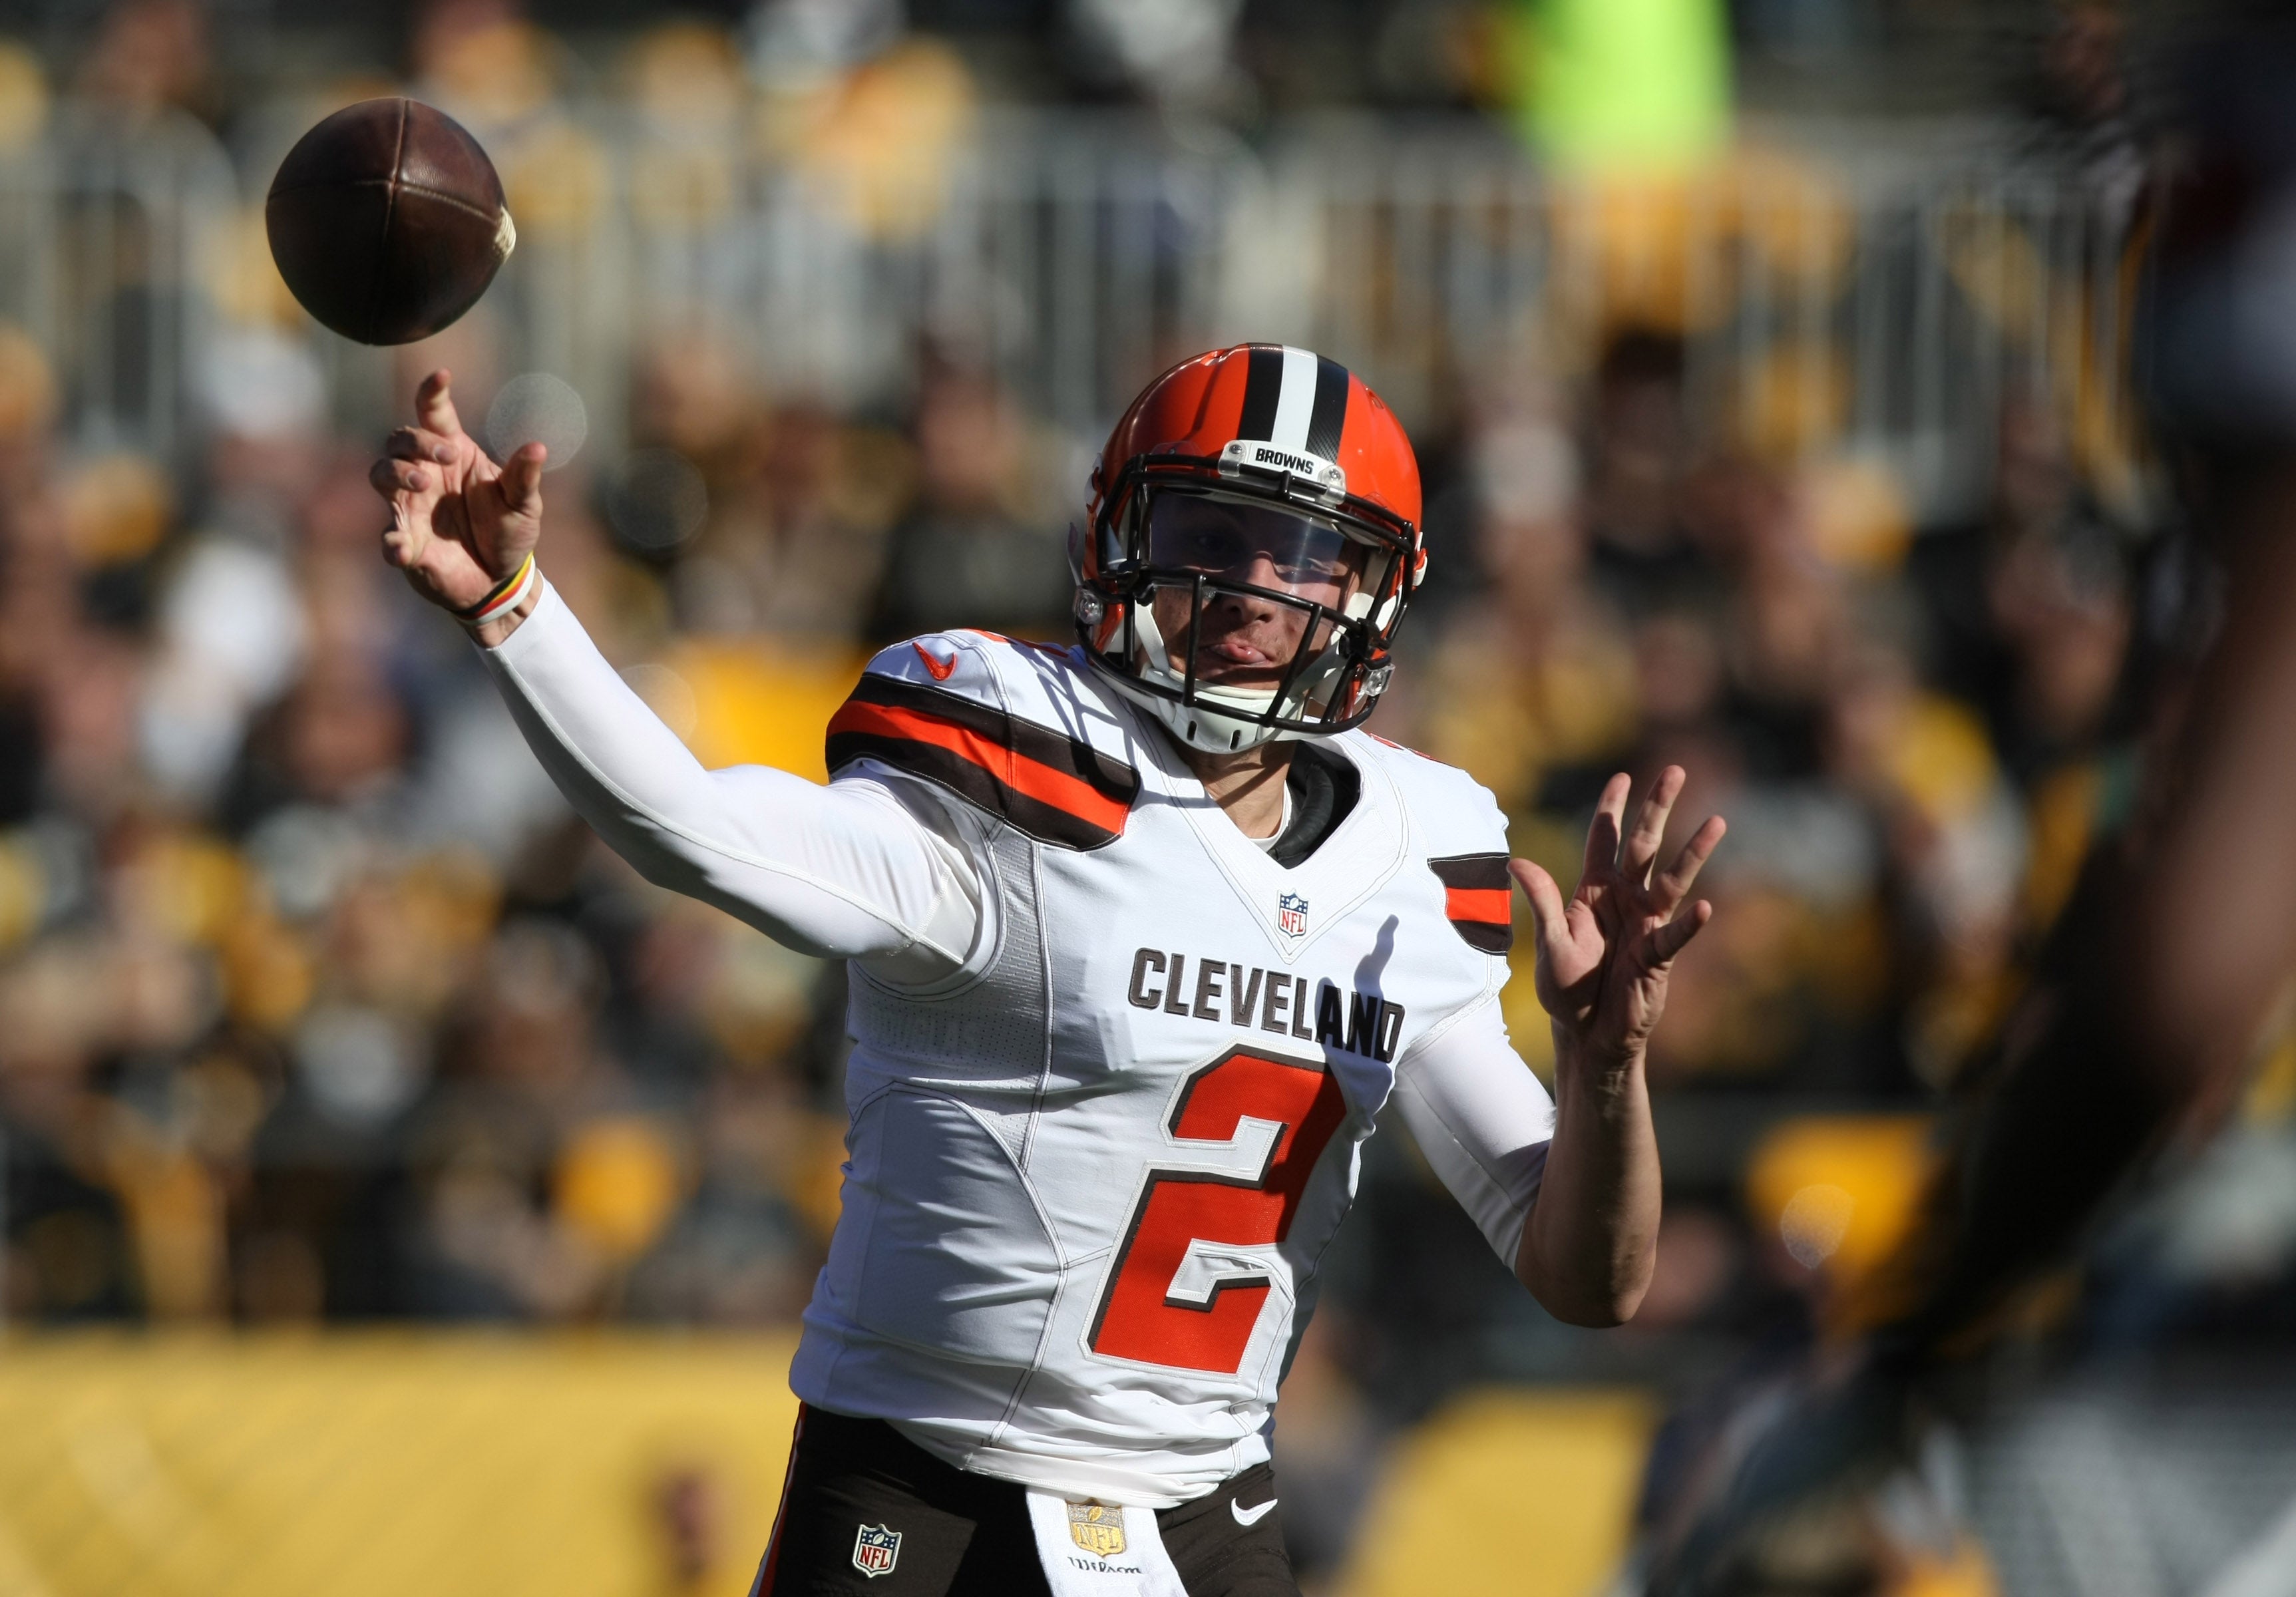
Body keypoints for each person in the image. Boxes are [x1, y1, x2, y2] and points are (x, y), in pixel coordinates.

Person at [369, 345, 1725, 1597]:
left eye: (1304, 557)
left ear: (1369, 595)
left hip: (1207, 1512)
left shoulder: (1420, 857)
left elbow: (1588, 1278)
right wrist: (518, 608)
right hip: (919, 1485)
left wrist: (1609, 1070)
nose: (1254, 590)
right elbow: (696, 831)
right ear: (1118, 537)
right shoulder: (1011, 759)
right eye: (1212, 538)